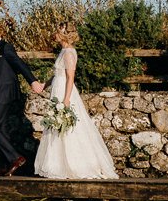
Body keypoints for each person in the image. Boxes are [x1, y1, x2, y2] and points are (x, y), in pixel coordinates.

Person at [34, 23, 119, 180]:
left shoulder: (69, 53)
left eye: (58, 31)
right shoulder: (63, 51)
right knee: (57, 125)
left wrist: (66, 99)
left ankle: (75, 164)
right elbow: (57, 74)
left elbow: (70, 77)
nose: (55, 34)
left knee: (68, 126)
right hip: (57, 89)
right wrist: (44, 85)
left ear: (65, 34)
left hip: (64, 91)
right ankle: (58, 164)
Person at [0, 23, 44, 176]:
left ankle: (16, 158)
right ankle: (3, 165)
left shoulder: (6, 47)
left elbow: (20, 65)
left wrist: (33, 81)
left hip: (5, 93)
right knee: (1, 129)